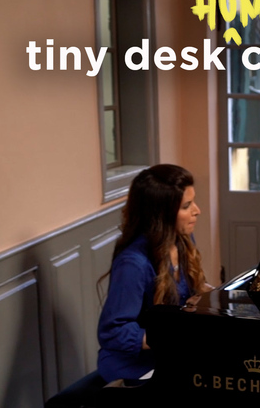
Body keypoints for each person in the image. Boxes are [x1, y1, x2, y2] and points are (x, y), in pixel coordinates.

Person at [45, 164, 210, 407]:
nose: (197, 211)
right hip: (135, 368)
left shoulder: (182, 239)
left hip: (167, 357)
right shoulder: (134, 264)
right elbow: (113, 332)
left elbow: (192, 292)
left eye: (193, 202)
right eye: (186, 206)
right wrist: (172, 338)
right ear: (162, 214)